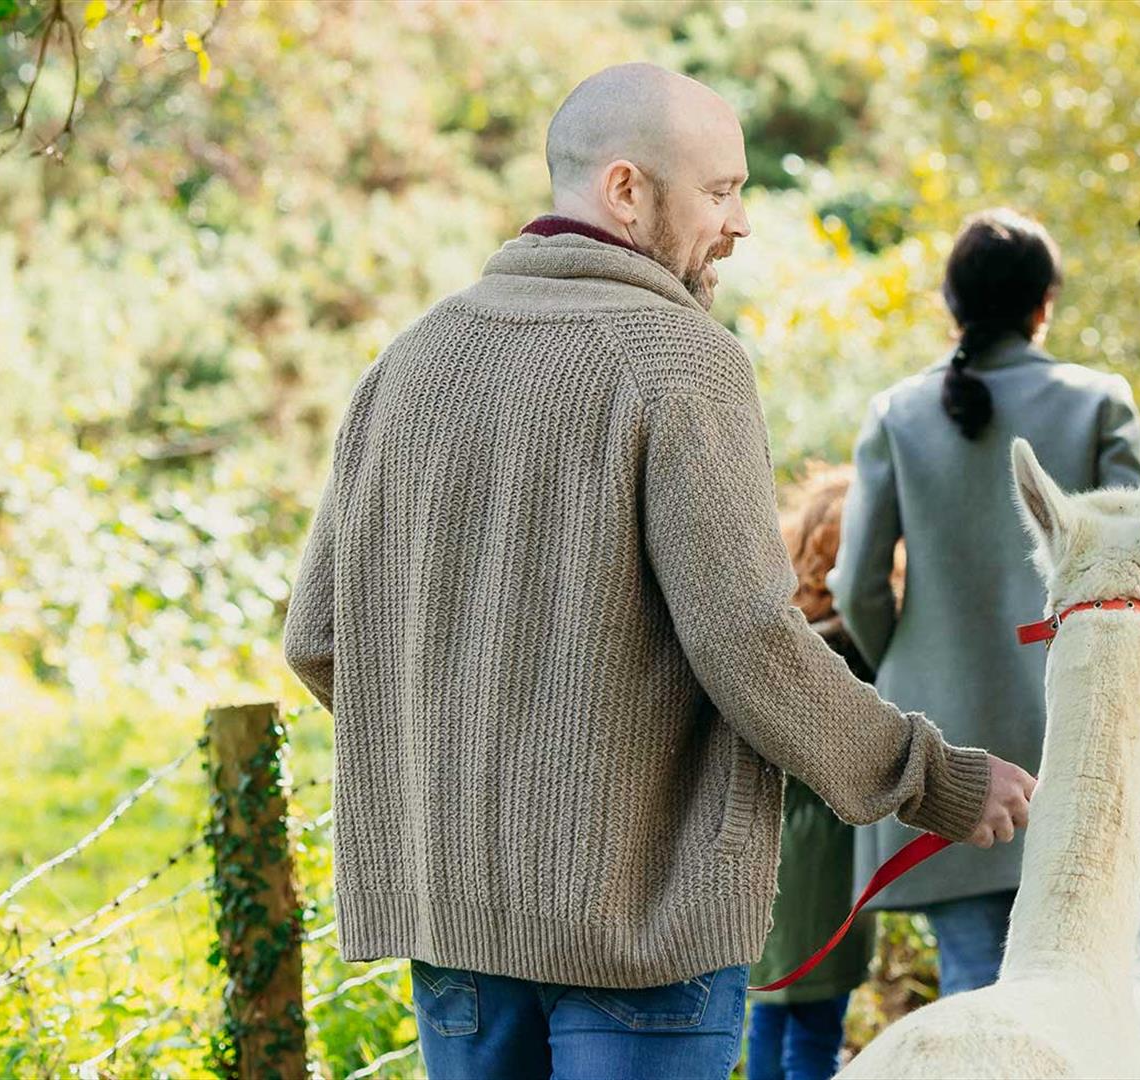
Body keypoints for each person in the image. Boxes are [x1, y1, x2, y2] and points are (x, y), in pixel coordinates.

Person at [281, 64, 1036, 1080]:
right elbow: (752, 645)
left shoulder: (409, 362)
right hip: (641, 929)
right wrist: (936, 778)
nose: (741, 224)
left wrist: (480, 778)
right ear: (627, 190)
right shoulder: (683, 361)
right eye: (721, 191)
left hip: (457, 924)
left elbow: (320, 637)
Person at [829, 208, 1140, 999]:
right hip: (1077, 727)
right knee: (1075, 985)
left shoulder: (896, 413)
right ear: (1044, 304)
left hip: (943, 737)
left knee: (971, 987)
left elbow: (853, 584)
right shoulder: (1099, 401)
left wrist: (912, 662)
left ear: (952, 305)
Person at [745, 466, 883, 1080]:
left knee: (770, 1016)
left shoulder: (771, 630)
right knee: (817, 1032)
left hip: (763, 844)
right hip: (828, 852)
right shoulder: (858, 645)